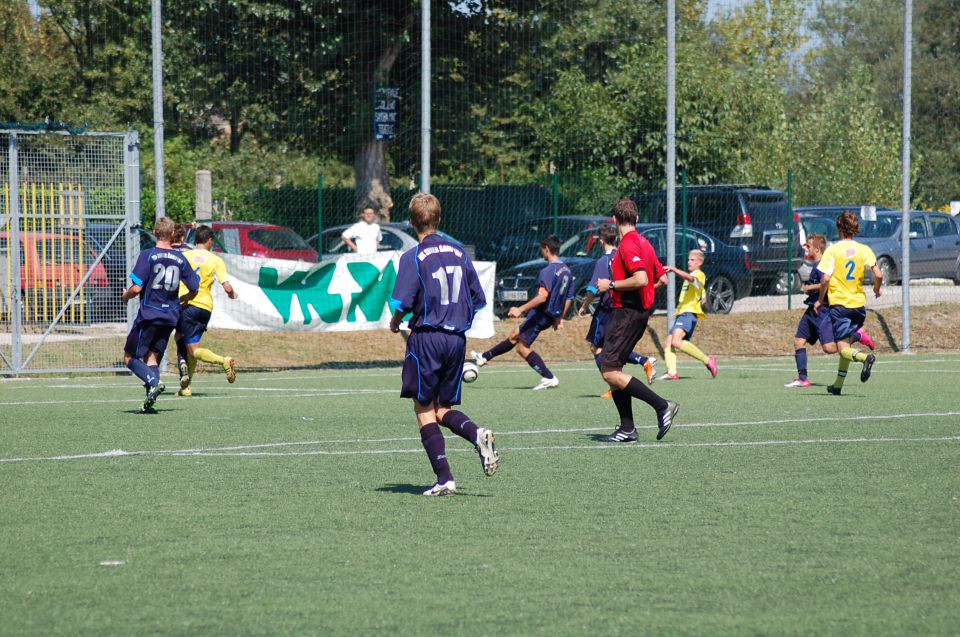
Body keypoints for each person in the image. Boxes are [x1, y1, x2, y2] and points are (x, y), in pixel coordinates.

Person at [389, 193, 499, 496]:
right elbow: (478, 300)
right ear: (439, 219)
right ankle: (476, 434)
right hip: (456, 340)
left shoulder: (412, 256)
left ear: (412, 222)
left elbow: (402, 300)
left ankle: (445, 478)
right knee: (442, 409)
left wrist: (396, 320)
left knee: (423, 408)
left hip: (427, 337)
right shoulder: (460, 253)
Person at [595, 198, 677, 442]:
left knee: (609, 371)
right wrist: (644, 293)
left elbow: (641, 278)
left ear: (615, 220)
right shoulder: (645, 243)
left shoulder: (628, 245)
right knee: (614, 368)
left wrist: (610, 284)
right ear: (637, 219)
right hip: (639, 313)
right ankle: (627, 428)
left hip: (626, 313)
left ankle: (662, 406)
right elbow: (661, 279)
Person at [471, 235, 574, 390]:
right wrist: (559, 317)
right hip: (549, 315)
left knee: (522, 347)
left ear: (546, 249)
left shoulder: (548, 270)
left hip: (541, 314)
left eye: (542, 250)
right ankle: (484, 357)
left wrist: (520, 309)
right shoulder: (566, 270)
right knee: (514, 335)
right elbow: (569, 297)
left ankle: (548, 377)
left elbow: (542, 297)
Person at [121, 217, 200, 413]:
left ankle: (154, 382)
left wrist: (125, 295)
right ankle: (150, 402)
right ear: (173, 234)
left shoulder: (148, 255)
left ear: (155, 233)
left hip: (149, 315)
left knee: (129, 358)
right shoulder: (181, 258)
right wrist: (185, 300)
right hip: (170, 317)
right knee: (152, 358)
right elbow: (194, 287)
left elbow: (137, 288)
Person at [577, 223, 657, 395]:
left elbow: (593, 289)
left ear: (600, 241)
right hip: (621, 309)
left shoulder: (603, 260)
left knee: (597, 348)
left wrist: (584, 306)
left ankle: (616, 385)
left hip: (605, 310)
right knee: (611, 348)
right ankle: (639, 365)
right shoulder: (621, 254)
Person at [814, 210, 882, 395]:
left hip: (840, 306)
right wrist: (876, 289)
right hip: (859, 307)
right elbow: (879, 274)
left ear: (839, 228)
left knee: (842, 349)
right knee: (845, 344)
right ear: (854, 229)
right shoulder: (864, 249)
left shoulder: (833, 250)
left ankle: (865, 358)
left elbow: (826, 279)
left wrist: (820, 300)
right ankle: (837, 386)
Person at [174, 224, 239, 397]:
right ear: (210, 240)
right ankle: (186, 387)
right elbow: (226, 287)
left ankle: (223, 361)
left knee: (190, 347)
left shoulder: (185, 256)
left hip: (186, 304)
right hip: (205, 307)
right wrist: (233, 294)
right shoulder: (216, 260)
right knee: (190, 345)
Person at [660, 249, 718, 380]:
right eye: (688, 259)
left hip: (688, 314)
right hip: (682, 314)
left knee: (675, 341)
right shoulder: (694, 277)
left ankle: (708, 360)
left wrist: (674, 269)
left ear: (700, 262)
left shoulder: (699, 274)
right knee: (668, 341)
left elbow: (692, 279)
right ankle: (672, 372)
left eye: (692, 260)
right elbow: (699, 289)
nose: (689, 262)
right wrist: (703, 296)